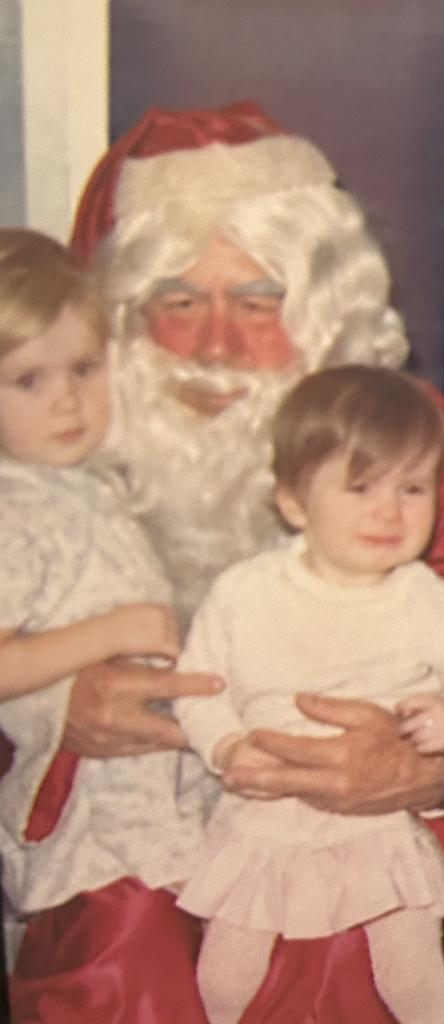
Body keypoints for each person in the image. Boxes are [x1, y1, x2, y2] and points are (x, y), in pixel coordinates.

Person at [7, 103, 444, 1023]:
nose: (213, 345)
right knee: (123, 942)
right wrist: (56, 710)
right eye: (178, 301)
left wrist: (424, 770)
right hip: (128, 843)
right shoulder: (57, 434)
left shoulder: (406, 454)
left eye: (256, 302)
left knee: (340, 949)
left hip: (341, 838)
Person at [173, 365, 444, 1024]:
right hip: (264, 825)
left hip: (380, 831)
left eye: (413, 488)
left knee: (412, 978)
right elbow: (199, 689)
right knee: (221, 979)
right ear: (294, 502)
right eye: (360, 487)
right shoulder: (244, 593)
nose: (389, 512)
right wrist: (224, 745)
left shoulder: (432, 602)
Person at [0, 228, 202, 926]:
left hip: (149, 810)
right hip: (90, 832)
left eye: (84, 369)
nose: (67, 401)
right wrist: (109, 633)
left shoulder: (82, 484)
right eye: (30, 380)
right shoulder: (11, 512)